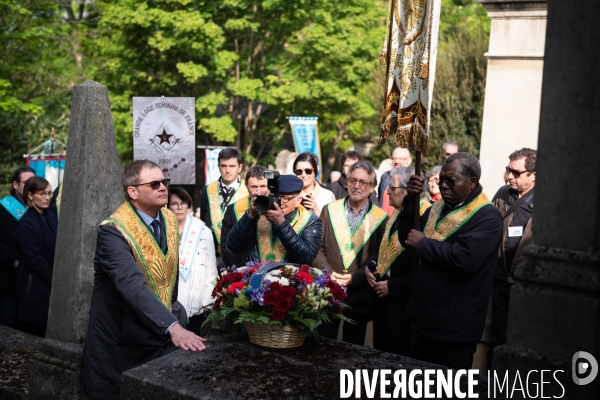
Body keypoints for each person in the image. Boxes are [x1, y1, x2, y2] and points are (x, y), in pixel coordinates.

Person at [81, 160, 206, 399]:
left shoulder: (169, 217)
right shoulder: (112, 231)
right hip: (121, 342)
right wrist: (172, 326)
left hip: (160, 332)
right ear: (133, 192)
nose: (163, 188)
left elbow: (170, 272)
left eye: (164, 182)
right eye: (155, 183)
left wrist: (176, 312)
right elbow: (131, 285)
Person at [399, 152, 502, 370]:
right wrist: (410, 200)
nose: (444, 186)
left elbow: (464, 258)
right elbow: (408, 238)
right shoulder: (438, 207)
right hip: (423, 320)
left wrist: (424, 244)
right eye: (440, 180)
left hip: (454, 327)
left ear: (472, 182)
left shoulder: (487, 216)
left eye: (451, 181)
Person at [313, 161, 387, 345]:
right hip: (328, 291)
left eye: (363, 182)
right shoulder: (329, 210)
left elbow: (378, 257)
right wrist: (330, 274)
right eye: (353, 180)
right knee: (323, 344)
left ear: (372, 188)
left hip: (359, 295)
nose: (357, 185)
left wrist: (356, 278)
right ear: (346, 182)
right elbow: (317, 249)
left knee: (353, 349)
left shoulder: (381, 218)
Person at [366, 166, 430, 356]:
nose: (386, 191)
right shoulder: (395, 214)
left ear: (408, 190)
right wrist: (371, 265)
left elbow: (423, 269)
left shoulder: (424, 217)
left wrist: (393, 286)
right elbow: (381, 247)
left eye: (391, 188)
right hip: (382, 304)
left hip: (403, 307)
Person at [488, 148, 536, 370]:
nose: (510, 176)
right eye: (509, 171)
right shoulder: (502, 194)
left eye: (517, 172)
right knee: (497, 341)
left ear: (533, 174)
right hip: (498, 281)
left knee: (522, 344)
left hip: (525, 286)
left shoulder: (546, 201)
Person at [226, 175, 322, 265]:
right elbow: (232, 246)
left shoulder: (311, 221)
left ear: (298, 201)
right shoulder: (261, 214)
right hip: (257, 277)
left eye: (285, 198)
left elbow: (306, 257)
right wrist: (251, 215)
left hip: (292, 279)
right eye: (276, 197)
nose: (279, 203)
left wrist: (281, 223)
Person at [168, 186, 217, 338]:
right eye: (174, 203)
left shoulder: (202, 231)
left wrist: (208, 301)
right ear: (168, 206)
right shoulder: (163, 229)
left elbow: (211, 268)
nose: (180, 207)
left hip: (196, 302)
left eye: (183, 202)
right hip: (170, 304)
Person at [14, 176, 57, 337]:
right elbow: (34, 259)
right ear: (30, 195)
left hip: (51, 281)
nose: (47, 198)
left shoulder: (51, 216)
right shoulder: (25, 223)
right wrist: (55, 279)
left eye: (49, 193)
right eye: (42, 193)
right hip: (35, 286)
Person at [0, 167, 35, 328]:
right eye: (27, 182)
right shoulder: (3, 207)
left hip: (31, 279)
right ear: (15, 185)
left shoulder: (36, 209)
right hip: (9, 278)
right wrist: (12, 260)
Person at [199, 148, 248, 259]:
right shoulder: (208, 190)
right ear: (218, 166)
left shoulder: (248, 190)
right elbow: (203, 221)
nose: (227, 170)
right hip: (211, 254)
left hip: (240, 255)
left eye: (232, 166)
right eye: (223, 166)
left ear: (240, 167)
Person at [220, 165, 268, 267]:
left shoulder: (280, 208)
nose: (259, 192)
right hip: (243, 271)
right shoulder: (233, 210)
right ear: (246, 186)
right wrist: (242, 270)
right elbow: (225, 248)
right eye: (254, 187)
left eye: (263, 186)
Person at [293, 152, 335, 217]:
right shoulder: (289, 196)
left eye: (308, 171)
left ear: (315, 172)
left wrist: (317, 210)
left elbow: (333, 224)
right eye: (299, 171)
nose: (303, 175)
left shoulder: (328, 195)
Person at [378, 148, 412, 215]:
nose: (396, 161)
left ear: (409, 160)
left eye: (400, 158)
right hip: (384, 221)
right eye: (394, 158)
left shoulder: (414, 179)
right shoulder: (385, 176)